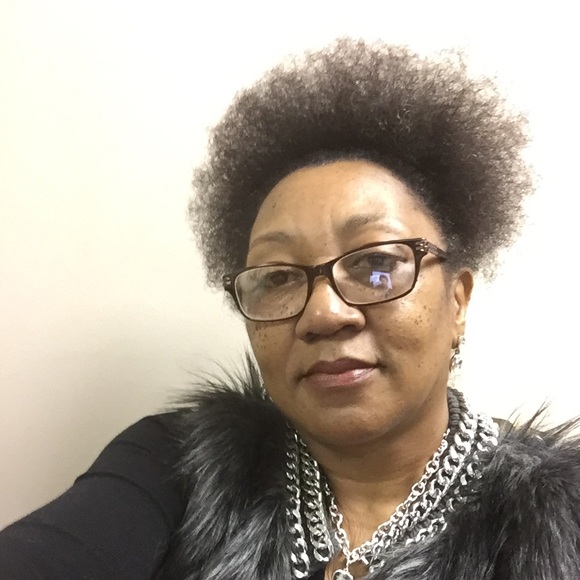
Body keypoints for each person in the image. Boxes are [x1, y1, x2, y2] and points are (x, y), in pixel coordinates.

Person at [1, 38, 579, 580]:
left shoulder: (561, 520)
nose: (324, 315)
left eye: (376, 264)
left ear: (457, 300)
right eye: (278, 277)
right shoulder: (179, 465)